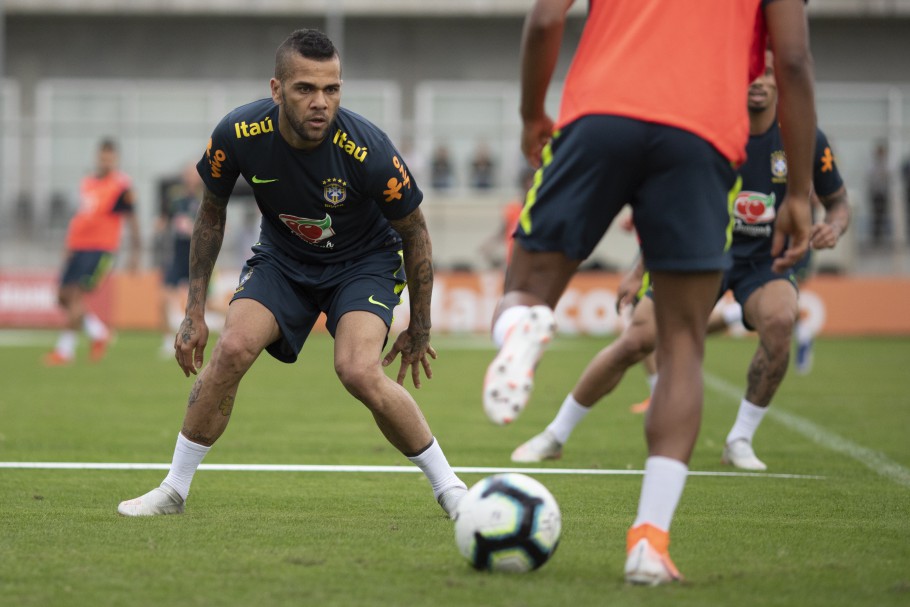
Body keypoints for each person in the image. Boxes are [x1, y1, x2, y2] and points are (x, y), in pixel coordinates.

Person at [483, 0, 816, 585]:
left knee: (529, 288)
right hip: (702, 133)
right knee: (682, 344)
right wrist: (799, 191)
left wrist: (533, 114)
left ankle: (524, 326)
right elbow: (791, 59)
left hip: (599, 115)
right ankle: (648, 542)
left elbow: (544, 20)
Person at [118, 29, 467, 518]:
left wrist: (421, 326)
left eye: (332, 89)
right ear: (277, 89)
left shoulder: (370, 150)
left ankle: (452, 491)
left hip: (363, 263)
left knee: (357, 370)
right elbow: (211, 214)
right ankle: (173, 490)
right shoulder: (237, 134)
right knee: (232, 349)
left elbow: (416, 234)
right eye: (306, 88)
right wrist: (193, 311)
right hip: (283, 259)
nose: (321, 102)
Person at [44, 138, 140, 365]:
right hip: (78, 247)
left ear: (115, 159)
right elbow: (82, 217)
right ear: (98, 157)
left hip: (101, 248)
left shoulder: (122, 186)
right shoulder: (87, 183)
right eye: (103, 157)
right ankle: (99, 332)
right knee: (62, 296)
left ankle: (64, 351)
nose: (106, 161)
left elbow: (132, 219)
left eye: (110, 158)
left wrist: (136, 252)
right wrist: (69, 245)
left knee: (75, 295)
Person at [156, 162, 203, 356]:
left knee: (207, 303)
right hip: (178, 255)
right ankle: (169, 340)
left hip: (199, 258)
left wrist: (194, 228)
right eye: (188, 174)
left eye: (194, 174)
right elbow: (164, 220)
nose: (191, 178)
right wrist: (160, 226)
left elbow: (219, 226)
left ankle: (232, 324)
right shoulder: (175, 198)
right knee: (163, 298)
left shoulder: (206, 198)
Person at [866, 142, 890, 248]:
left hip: (883, 193)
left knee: (883, 214)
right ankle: (876, 237)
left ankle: (882, 236)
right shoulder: (872, 164)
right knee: (875, 215)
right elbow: (870, 177)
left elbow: (889, 174)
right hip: (876, 193)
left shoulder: (886, 164)